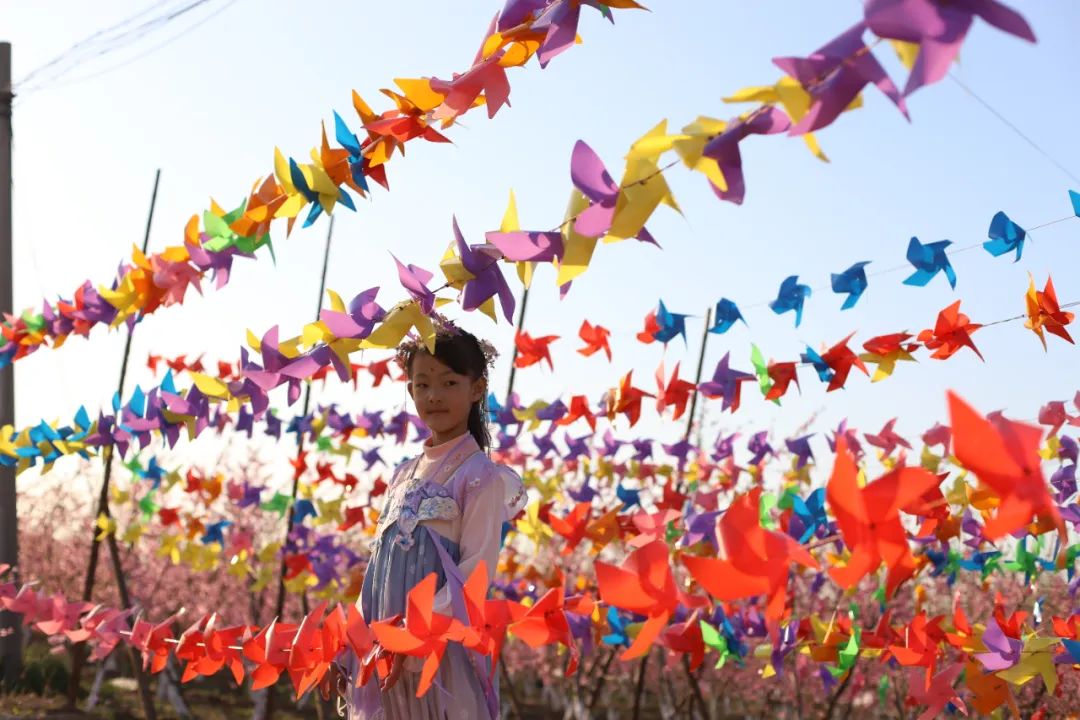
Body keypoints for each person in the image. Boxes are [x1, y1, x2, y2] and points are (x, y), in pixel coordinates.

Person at [325, 322, 527, 719]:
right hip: (383, 659)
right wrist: (353, 644)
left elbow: (475, 575)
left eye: (449, 383)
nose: (433, 396)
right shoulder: (402, 474)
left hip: (437, 660)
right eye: (422, 385)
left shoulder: (480, 477)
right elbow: (378, 571)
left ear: (477, 388)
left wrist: (411, 633)